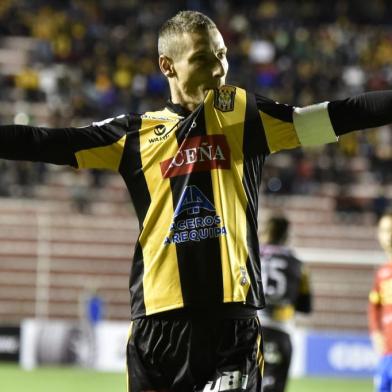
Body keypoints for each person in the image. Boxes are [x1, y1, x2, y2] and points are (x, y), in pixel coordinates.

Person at [1, 9, 392, 392]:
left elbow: (337, 115)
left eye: (222, 55)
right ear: (168, 66)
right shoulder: (134, 136)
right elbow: (47, 142)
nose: (220, 68)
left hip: (231, 325)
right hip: (158, 327)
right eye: (204, 59)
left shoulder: (243, 115)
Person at [258, 215, 312, 392]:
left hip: (248, 328)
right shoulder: (297, 264)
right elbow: (305, 307)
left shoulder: (250, 254)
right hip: (279, 330)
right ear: (287, 236)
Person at [368, 212, 392, 392]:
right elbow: (374, 306)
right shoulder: (383, 272)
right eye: (385, 230)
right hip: (387, 355)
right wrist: (375, 331)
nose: (389, 235)